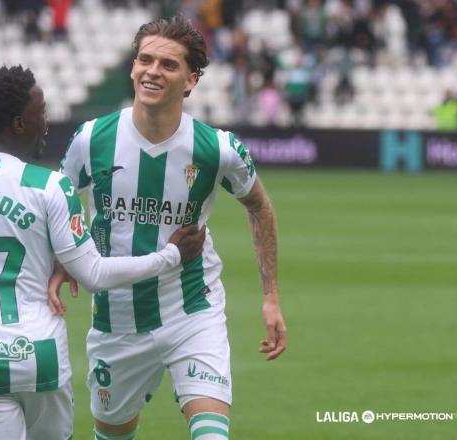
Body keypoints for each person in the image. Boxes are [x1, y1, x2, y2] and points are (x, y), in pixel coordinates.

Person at [0, 65, 206, 440]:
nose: (46, 123)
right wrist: (171, 256)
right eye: (41, 112)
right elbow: (93, 274)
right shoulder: (49, 186)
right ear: (19, 123)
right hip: (41, 358)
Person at [55, 15, 287, 440]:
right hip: (117, 317)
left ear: (191, 80)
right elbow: (58, 205)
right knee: (112, 434)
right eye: (145, 60)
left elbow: (260, 207)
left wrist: (270, 297)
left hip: (192, 309)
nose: (152, 71)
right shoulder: (91, 140)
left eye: (168, 65)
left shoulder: (218, 149)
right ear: (132, 67)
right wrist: (59, 263)